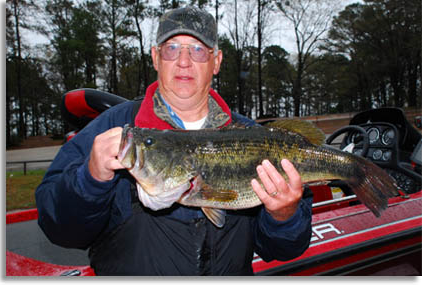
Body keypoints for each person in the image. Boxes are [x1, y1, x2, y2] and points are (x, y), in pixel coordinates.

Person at [35, 6, 312, 276]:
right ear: (155, 57)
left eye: (198, 50)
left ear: (216, 62)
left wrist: (284, 216)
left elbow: (283, 249)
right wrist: (90, 179)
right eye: (172, 48)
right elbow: (59, 229)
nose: (184, 61)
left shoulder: (258, 139)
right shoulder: (111, 132)